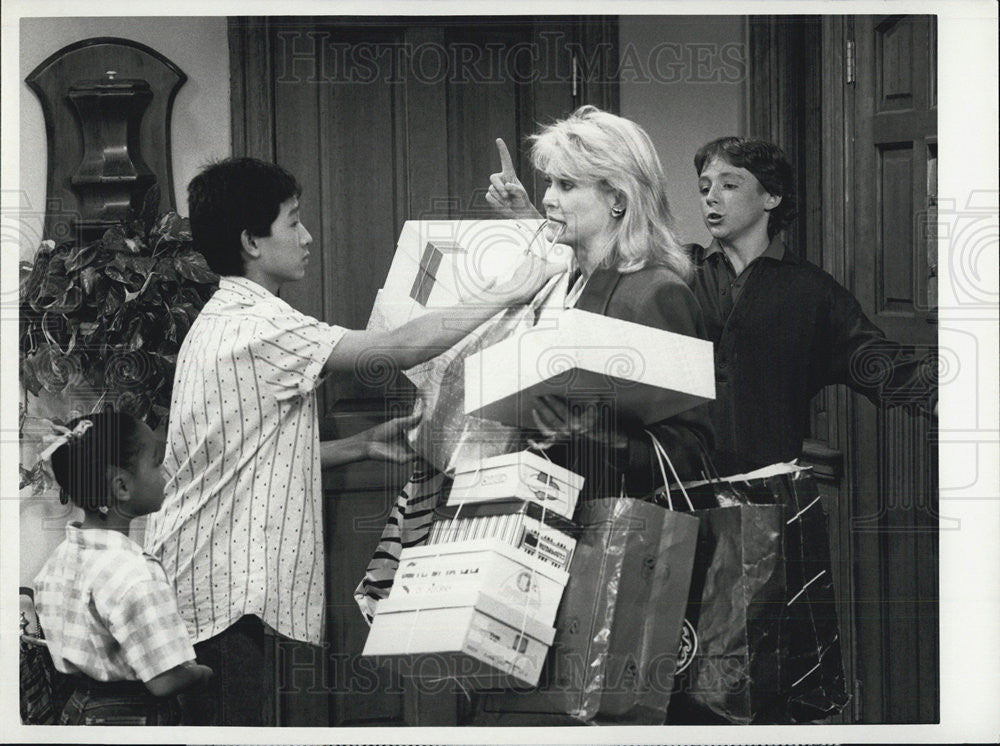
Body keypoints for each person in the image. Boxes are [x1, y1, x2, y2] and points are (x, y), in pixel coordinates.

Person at [142, 157, 559, 726]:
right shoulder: (257, 327)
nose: (308, 236)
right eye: (293, 223)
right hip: (219, 593)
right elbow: (400, 348)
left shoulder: (224, 317)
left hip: (202, 581)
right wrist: (508, 291)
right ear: (251, 242)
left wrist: (356, 447)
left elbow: (240, 457)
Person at [487, 134, 936, 475]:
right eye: (704, 187)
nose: (711, 197)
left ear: (771, 197)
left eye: (729, 185)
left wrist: (956, 399)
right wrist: (534, 217)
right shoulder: (680, 271)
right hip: (675, 487)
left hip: (766, 492)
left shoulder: (811, 292)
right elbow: (597, 266)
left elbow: (882, 365)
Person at [519, 105, 713, 496]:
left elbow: (693, 456)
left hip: (619, 538)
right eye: (550, 184)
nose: (548, 200)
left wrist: (593, 435)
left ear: (618, 201)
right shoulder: (562, 284)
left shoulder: (655, 294)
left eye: (567, 186)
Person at [32, 413, 212, 726]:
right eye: (156, 462)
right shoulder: (135, 573)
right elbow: (164, 681)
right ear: (121, 486)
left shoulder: (58, 560)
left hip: (75, 710)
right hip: (130, 718)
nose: (166, 472)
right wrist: (202, 673)